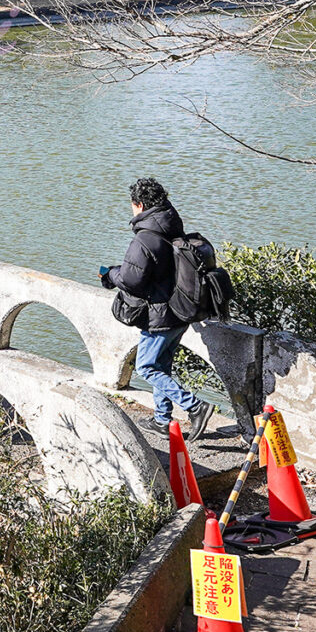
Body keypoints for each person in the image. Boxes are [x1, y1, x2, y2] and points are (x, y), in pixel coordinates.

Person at [100, 176, 216, 439]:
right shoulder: (173, 227)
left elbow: (132, 280)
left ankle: (195, 406)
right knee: (161, 366)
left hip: (160, 316)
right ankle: (162, 420)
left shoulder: (145, 239)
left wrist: (110, 274)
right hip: (181, 312)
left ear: (139, 205)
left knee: (146, 367)